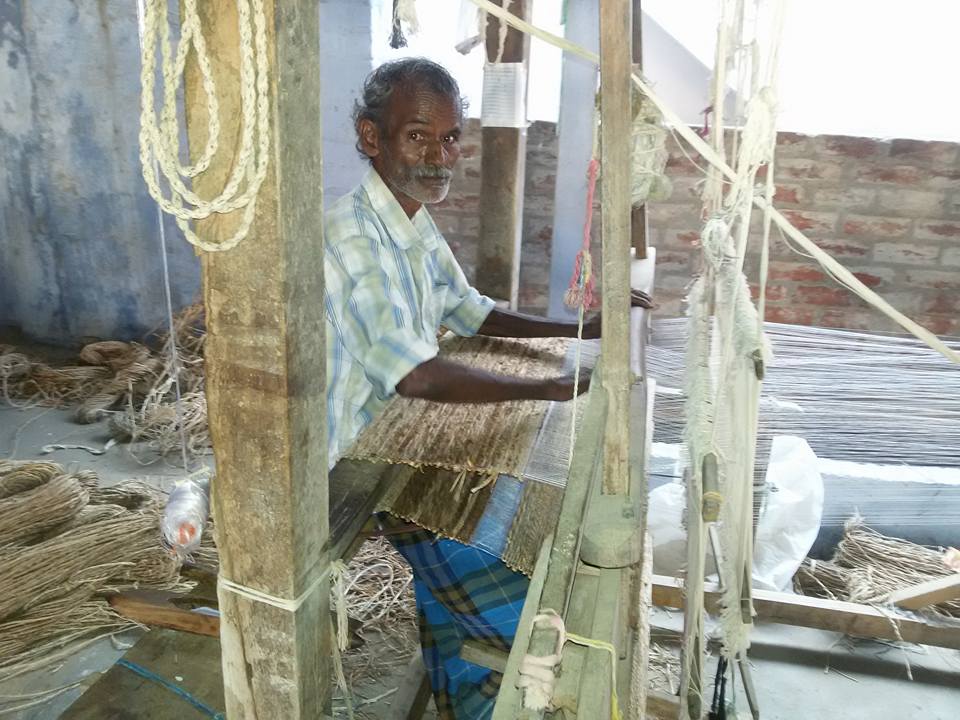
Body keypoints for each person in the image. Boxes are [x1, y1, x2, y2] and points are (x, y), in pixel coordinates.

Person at [324, 57, 651, 719]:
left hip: (403, 435)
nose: (439, 155)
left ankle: (463, 695)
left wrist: (578, 327)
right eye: (418, 135)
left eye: (449, 138)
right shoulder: (354, 239)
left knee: (477, 556)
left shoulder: (410, 223)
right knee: (546, 618)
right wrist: (547, 388)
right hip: (364, 461)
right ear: (370, 137)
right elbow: (416, 374)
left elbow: (471, 312)